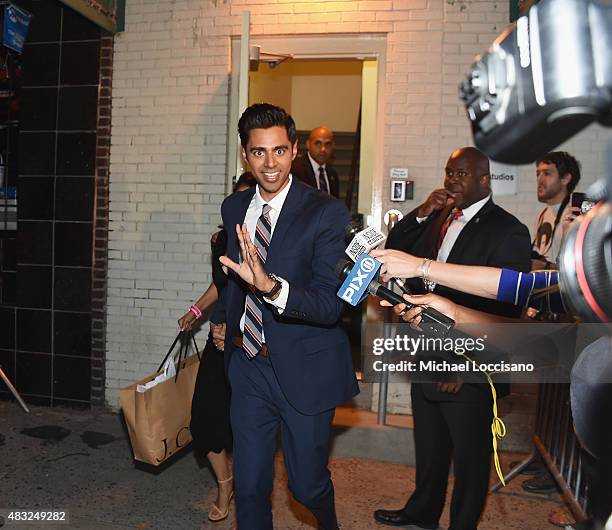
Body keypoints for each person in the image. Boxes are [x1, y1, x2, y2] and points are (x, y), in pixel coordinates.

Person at [210, 103, 358, 530]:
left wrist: (271, 287)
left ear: (294, 150)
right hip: (250, 366)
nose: (269, 163)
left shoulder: (326, 212)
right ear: (245, 154)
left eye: (279, 150)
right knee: (252, 485)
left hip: (306, 367)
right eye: (259, 152)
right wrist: (224, 316)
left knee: (306, 486)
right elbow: (234, 276)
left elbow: (332, 306)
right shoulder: (234, 208)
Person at [373, 146, 532, 530]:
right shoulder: (441, 216)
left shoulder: (509, 230)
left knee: (470, 460)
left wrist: (466, 366)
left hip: (470, 366)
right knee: (429, 448)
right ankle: (422, 513)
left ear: (483, 179)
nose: (451, 181)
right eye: (448, 173)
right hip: (426, 354)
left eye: (461, 174)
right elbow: (398, 248)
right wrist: (424, 210)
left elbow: (508, 311)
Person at [177, 171, 256, 523]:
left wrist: (236, 332)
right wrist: (196, 311)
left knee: (248, 426)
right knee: (206, 423)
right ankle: (225, 486)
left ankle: (251, 491)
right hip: (218, 341)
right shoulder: (221, 240)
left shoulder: (273, 243)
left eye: (248, 200)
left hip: (252, 345)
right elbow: (219, 285)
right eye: (235, 200)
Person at [532, 151, 581, 268]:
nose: (539, 179)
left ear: (565, 178)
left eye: (547, 174)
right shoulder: (542, 214)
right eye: (538, 174)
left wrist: (545, 266)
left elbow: (579, 267)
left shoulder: (576, 214)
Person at [291, 126, 340, 198]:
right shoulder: (295, 170)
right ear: (308, 144)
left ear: (333, 146)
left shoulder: (333, 175)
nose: (323, 149)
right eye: (318, 143)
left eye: (327, 144)